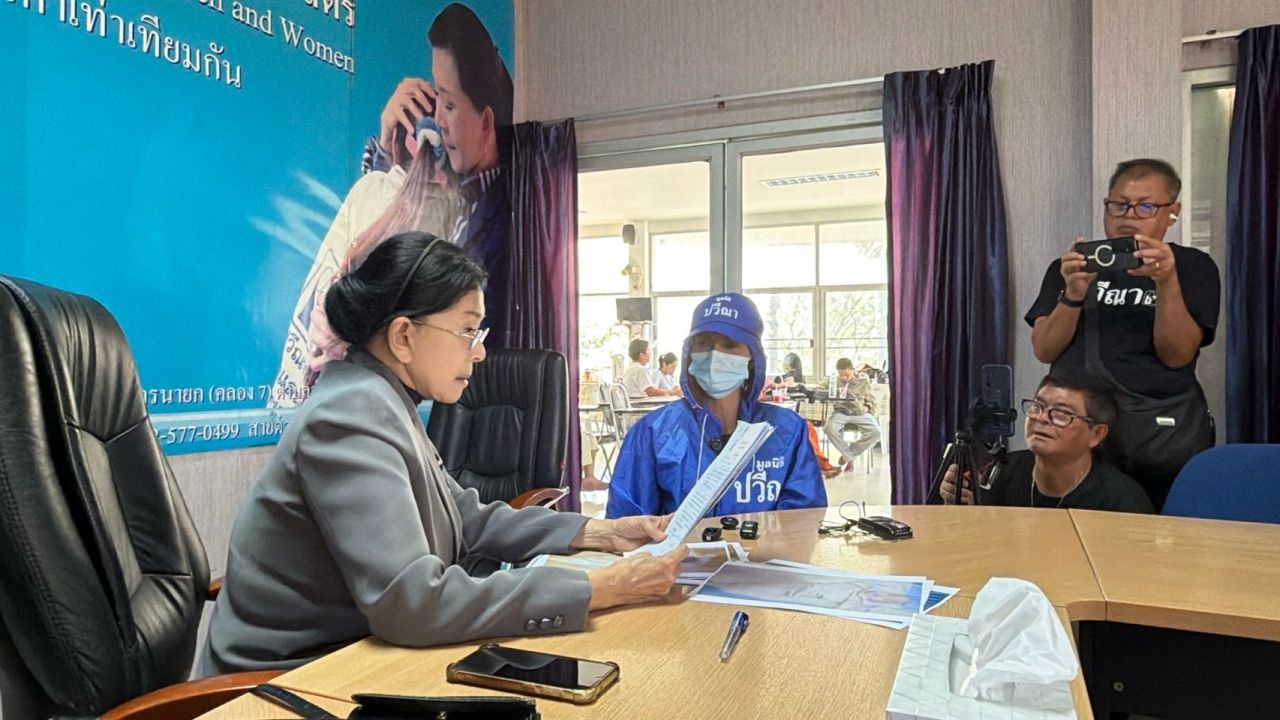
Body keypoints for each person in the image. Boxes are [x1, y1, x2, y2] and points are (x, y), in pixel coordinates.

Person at [202, 233, 687, 675]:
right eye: (467, 331)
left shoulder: (381, 397)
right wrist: (602, 588)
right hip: (282, 682)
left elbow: (464, 516)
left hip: (356, 656)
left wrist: (600, 533)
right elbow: (414, 603)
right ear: (403, 337)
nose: (479, 352)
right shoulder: (348, 417)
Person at [1025, 158, 1219, 509]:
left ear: (1172, 212)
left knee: (1153, 532)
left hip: (1156, 439)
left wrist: (1166, 281)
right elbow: (1044, 349)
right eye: (1119, 205)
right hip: (1077, 435)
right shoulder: (1073, 266)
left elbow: (1176, 355)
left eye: (1145, 206)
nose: (1129, 216)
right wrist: (1073, 293)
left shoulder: (1193, 267)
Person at [606, 293, 826, 518]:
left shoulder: (786, 431)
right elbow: (626, 524)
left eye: (730, 345)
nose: (714, 356)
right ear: (689, 353)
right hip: (676, 544)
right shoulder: (653, 433)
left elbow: (803, 520)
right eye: (703, 343)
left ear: (753, 358)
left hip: (767, 544)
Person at [940, 371, 1153, 513]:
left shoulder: (1122, 500)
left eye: (1061, 413)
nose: (1041, 418)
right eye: (1037, 406)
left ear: (1096, 434)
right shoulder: (1001, 471)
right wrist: (960, 507)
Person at [825, 358, 881, 472]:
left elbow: (872, 400)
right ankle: (849, 457)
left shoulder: (863, 380)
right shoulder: (833, 380)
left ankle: (849, 454)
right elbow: (819, 389)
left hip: (859, 413)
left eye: (847, 375)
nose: (844, 378)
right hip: (841, 412)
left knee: (876, 432)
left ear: (853, 370)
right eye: (841, 375)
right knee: (829, 428)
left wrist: (867, 406)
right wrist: (826, 394)